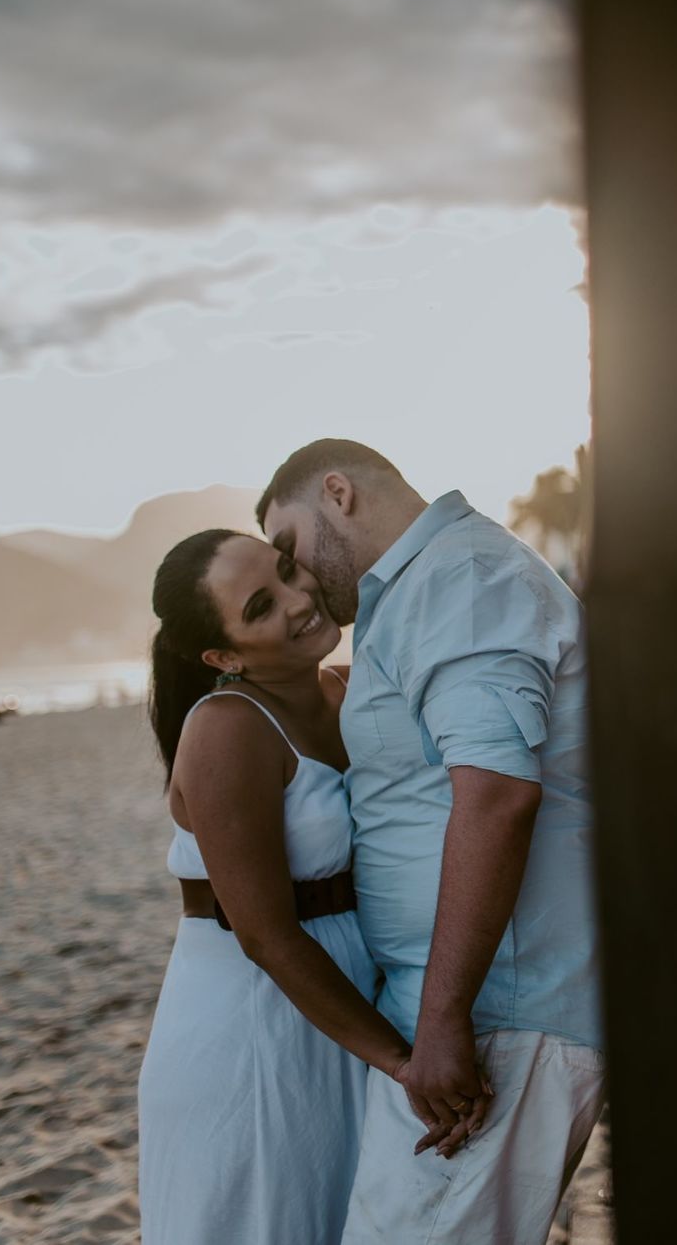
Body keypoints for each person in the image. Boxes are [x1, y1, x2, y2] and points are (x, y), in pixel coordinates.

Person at [259, 440, 604, 1245]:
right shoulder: (421, 589)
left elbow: (495, 797)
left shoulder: (461, 581)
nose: (296, 577)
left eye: (289, 547)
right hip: (475, 1006)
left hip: (499, 1013)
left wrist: (444, 1019)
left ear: (337, 492)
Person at [135, 528, 436, 1243]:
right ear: (225, 655)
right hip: (254, 1023)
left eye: (287, 569)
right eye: (263, 605)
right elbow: (265, 935)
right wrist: (399, 1058)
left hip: (344, 995)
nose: (301, 598)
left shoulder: (344, 690)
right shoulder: (226, 728)